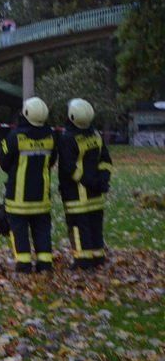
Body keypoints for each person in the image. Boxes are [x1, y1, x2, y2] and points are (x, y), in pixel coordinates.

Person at [0, 96, 57, 273]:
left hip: (18, 199)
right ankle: (45, 263)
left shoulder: (15, 137)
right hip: (41, 196)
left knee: (19, 231)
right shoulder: (51, 137)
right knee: (42, 230)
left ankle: (23, 264)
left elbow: (4, 162)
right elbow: (52, 161)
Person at [58, 98, 113, 270]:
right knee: (95, 226)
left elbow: (70, 169)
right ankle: (98, 257)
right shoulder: (95, 135)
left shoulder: (68, 139)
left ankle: (83, 261)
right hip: (96, 195)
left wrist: (93, 182)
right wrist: (102, 180)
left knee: (78, 228)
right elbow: (105, 161)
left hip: (77, 196)